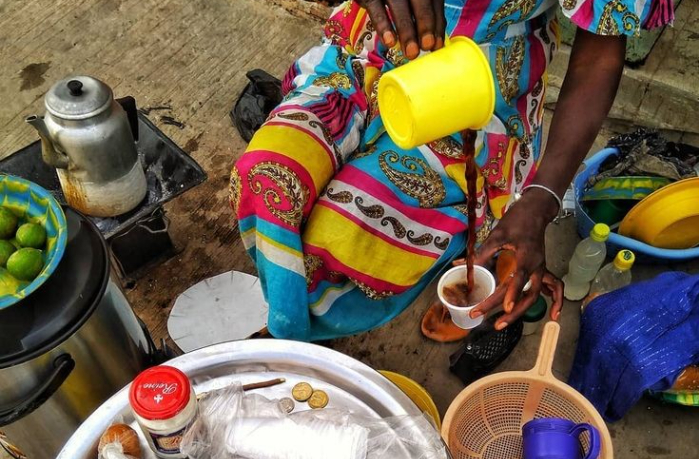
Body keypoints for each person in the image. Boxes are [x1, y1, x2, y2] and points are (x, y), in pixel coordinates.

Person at [230, 0, 673, 341]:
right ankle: (291, 333)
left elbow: (599, 54)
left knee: (348, 233)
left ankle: (304, 329)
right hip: (362, 53)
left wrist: (541, 200)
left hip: (477, 93)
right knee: (267, 176)